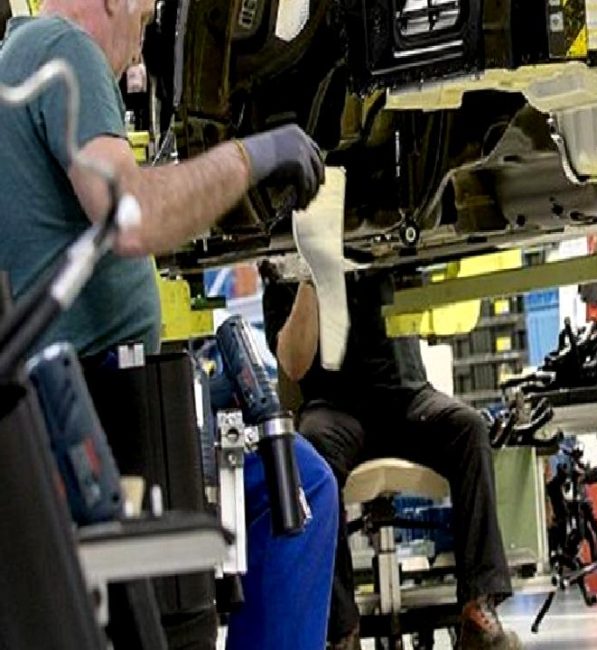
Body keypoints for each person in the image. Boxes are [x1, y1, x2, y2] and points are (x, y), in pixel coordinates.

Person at [0, 3, 337, 649]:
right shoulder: (62, 49)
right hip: (101, 404)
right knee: (306, 488)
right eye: (146, 14)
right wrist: (250, 155)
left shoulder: (14, 57)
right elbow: (130, 214)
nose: (142, 42)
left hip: (72, 398)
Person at [262, 268, 522, 650]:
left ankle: (477, 606)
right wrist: (310, 275)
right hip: (336, 410)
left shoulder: (385, 249)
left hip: (407, 400)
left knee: (469, 428)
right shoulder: (285, 272)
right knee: (309, 457)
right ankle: (340, 629)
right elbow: (294, 364)